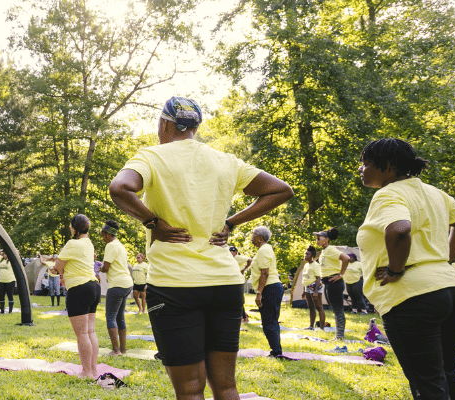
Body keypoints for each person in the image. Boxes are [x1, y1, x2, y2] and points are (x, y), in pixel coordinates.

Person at [109, 96, 293, 400]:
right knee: (226, 386)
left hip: (174, 284)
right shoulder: (226, 160)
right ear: (197, 126)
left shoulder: (152, 156)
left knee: (190, 389)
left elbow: (120, 188)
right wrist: (231, 223)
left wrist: (153, 222)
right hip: (225, 283)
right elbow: (280, 190)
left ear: (165, 123)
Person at [356, 138, 455, 400]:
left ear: (387, 166)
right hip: (452, 291)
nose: (360, 169)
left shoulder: (389, 193)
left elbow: (399, 230)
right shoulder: (434, 193)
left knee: (429, 384)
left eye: (365, 163)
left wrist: (396, 270)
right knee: (447, 376)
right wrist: (441, 259)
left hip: (413, 297)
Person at [51, 214, 100, 379]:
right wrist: (64, 275)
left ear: (74, 228)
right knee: (90, 331)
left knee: (82, 334)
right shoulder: (89, 243)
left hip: (79, 289)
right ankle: (93, 369)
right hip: (93, 287)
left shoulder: (72, 243)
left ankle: (86, 372)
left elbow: (57, 266)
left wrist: (58, 271)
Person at [249, 226, 284, 358]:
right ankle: (276, 350)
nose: (251, 238)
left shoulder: (263, 250)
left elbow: (265, 273)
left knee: (269, 322)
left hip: (270, 288)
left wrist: (259, 293)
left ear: (260, 238)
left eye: (253, 235)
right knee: (271, 321)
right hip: (272, 287)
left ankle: (276, 352)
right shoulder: (264, 249)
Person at [100, 220, 133, 356]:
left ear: (108, 234)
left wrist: (99, 268)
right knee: (120, 317)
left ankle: (116, 350)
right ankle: (123, 350)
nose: (102, 238)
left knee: (110, 317)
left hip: (117, 285)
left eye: (103, 235)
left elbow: (106, 267)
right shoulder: (120, 245)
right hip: (127, 284)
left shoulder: (111, 246)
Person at [313, 227, 351, 340]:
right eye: (316, 238)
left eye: (319, 238)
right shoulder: (325, 250)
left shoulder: (330, 249)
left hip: (334, 282)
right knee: (335, 310)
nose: (317, 240)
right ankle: (338, 336)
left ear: (326, 239)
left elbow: (346, 258)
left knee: (338, 310)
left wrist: (341, 274)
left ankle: (339, 336)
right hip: (328, 283)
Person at [300, 246, 325, 329]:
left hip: (315, 287)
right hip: (308, 287)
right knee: (311, 307)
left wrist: (316, 291)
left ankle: (322, 328)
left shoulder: (316, 265)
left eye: (307, 254)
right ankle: (311, 326)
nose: (305, 255)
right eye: (305, 253)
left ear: (312, 256)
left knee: (319, 307)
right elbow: (305, 278)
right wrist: (304, 290)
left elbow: (318, 278)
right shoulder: (306, 265)